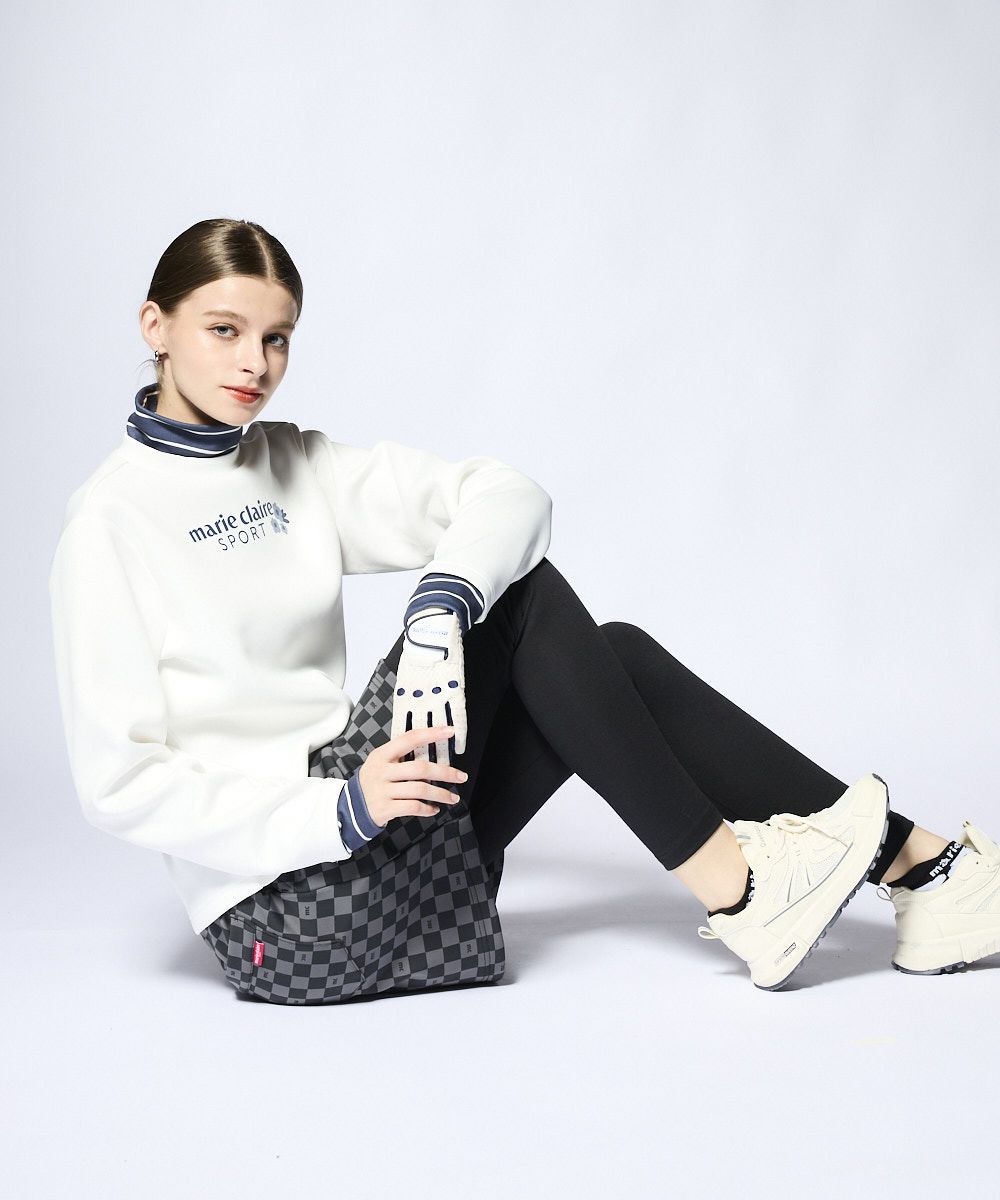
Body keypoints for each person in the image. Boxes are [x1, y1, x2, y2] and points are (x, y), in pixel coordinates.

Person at [48, 218, 1000, 1002]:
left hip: (380, 838)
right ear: (156, 325)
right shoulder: (111, 523)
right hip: (287, 916)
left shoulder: (291, 463)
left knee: (608, 651)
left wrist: (437, 607)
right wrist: (336, 809)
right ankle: (751, 889)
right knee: (531, 603)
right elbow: (121, 785)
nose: (255, 362)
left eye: (277, 337)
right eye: (224, 330)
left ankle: (922, 873)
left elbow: (509, 495)